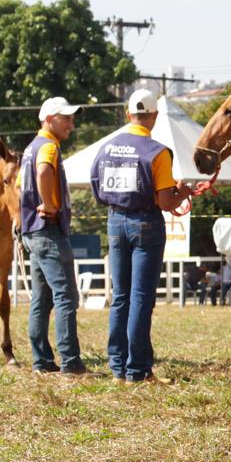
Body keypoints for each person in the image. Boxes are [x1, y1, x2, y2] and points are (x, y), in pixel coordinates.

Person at [91, 88, 194, 385]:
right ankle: (138, 370)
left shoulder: (107, 147)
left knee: (120, 296)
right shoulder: (157, 152)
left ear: (128, 115)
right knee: (140, 298)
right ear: (154, 117)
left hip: (114, 220)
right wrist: (181, 192)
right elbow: (165, 203)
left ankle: (117, 367)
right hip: (145, 223)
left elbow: (98, 188)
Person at [18, 96, 88, 376]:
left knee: (41, 299)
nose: (71, 124)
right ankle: (71, 363)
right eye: (66, 118)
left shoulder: (30, 147)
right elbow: (44, 171)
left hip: (31, 231)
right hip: (47, 232)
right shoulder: (48, 146)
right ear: (49, 119)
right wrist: (49, 204)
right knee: (66, 297)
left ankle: (42, 361)